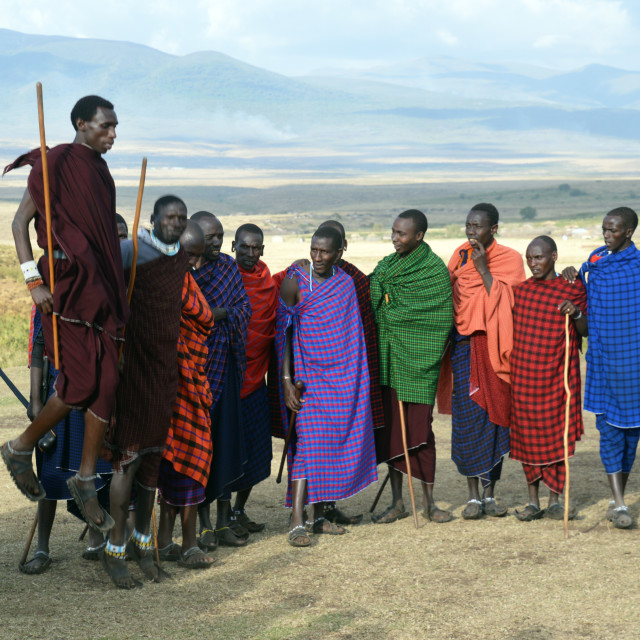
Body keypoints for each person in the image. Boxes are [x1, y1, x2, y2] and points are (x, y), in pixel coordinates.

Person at [2, 95, 128, 533]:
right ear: (81, 123)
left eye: (114, 128)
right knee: (79, 386)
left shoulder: (102, 171)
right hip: (66, 286)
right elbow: (19, 226)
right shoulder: (53, 163)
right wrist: (33, 282)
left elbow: (104, 238)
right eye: (105, 126)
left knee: (107, 383)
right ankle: (20, 447)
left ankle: (85, 478)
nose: (112, 135)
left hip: (102, 290)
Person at [102, 195, 188, 588]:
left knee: (152, 462)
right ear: (152, 220)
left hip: (164, 372)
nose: (176, 222)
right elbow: (101, 290)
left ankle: (142, 544)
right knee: (128, 460)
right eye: (170, 217)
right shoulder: (130, 250)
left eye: (181, 218)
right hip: (134, 369)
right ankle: (114, 551)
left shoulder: (180, 256)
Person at [277, 225, 378, 547]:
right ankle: (297, 521)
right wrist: (287, 382)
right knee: (306, 448)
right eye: (313, 250)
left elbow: (353, 339)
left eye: (324, 252)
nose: (317, 257)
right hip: (307, 381)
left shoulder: (345, 285)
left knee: (330, 448)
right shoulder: (295, 280)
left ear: (339, 253)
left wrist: (355, 382)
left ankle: (320, 517)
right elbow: (284, 333)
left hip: (341, 380)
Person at [437, 203, 525, 519]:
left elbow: (509, 300)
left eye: (478, 226)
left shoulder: (510, 259)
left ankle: (490, 494)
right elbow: (447, 295)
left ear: (494, 229)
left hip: (495, 346)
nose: (471, 232)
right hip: (463, 346)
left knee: (495, 418)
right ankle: (472, 496)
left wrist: (484, 268)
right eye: (468, 226)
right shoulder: (459, 255)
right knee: (467, 419)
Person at [370, 209, 453, 524]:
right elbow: (373, 302)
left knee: (421, 433)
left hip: (418, 365)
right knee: (393, 432)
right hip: (390, 363)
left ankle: (430, 503)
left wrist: (394, 315)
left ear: (419, 236)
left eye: (401, 234)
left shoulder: (433, 271)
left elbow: (438, 320)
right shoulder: (387, 266)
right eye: (393, 232)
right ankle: (398, 502)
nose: (395, 238)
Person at [562, 207, 640, 529]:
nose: (607, 235)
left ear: (629, 233)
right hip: (604, 364)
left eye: (614, 230)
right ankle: (619, 503)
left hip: (635, 367)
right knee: (608, 431)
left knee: (631, 435)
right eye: (604, 229)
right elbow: (585, 328)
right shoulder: (593, 267)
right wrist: (572, 294)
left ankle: (616, 495)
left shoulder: (637, 268)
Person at [20, 309, 112, 574]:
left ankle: (96, 539)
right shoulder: (50, 293)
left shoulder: (99, 288)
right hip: (57, 392)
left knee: (96, 469)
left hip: (95, 391)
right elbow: (39, 347)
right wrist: (36, 400)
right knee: (48, 474)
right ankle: (42, 548)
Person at [510, 236, 587, 521]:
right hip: (524, 379)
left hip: (558, 378)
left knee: (558, 435)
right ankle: (532, 502)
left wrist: (575, 310)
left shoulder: (572, 286)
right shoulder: (523, 291)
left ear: (554, 256)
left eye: (539, 258)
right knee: (526, 439)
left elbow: (585, 329)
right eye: (529, 258)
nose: (533, 264)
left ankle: (555, 499)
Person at [157, 221, 216, 569]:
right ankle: (165, 541)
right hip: (164, 385)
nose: (194, 264)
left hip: (193, 384)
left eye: (198, 257)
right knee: (166, 463)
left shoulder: (186, 280)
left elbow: (201, 321)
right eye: (189, 255)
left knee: (195, 457)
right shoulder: (157, 280)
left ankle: (190, 544)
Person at [191, 211, 251, 548]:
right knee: (201, 448)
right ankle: (202, 524)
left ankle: (224, 521)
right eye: (209, 237)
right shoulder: (183, 271)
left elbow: (244, 308)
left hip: (224, 367)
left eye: (219, 236)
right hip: (193, 374)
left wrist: (218, 314)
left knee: (226, 444)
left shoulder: (228, 268)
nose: (216, 243)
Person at [228, 224, 277, 533]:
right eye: (243, 247)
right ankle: (218, 518)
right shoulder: (223, 276)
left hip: (256, 381)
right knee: (226, 452)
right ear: (233, 246)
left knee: (257, 452)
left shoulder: (267, 279)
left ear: (262, 248)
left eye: (255, 247)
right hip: (225, 380)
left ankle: (238, 510)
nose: (249, 253)